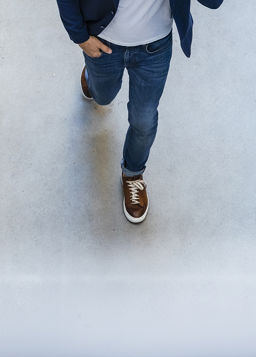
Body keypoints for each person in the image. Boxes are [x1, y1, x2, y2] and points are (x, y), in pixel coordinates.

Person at [56, 0, 222, 224]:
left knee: (143, 119)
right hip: (104, 40)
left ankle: (133, 172)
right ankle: (93, 80)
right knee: (103, 96)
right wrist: (80, 37)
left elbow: (214, 2)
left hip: (154, 47)